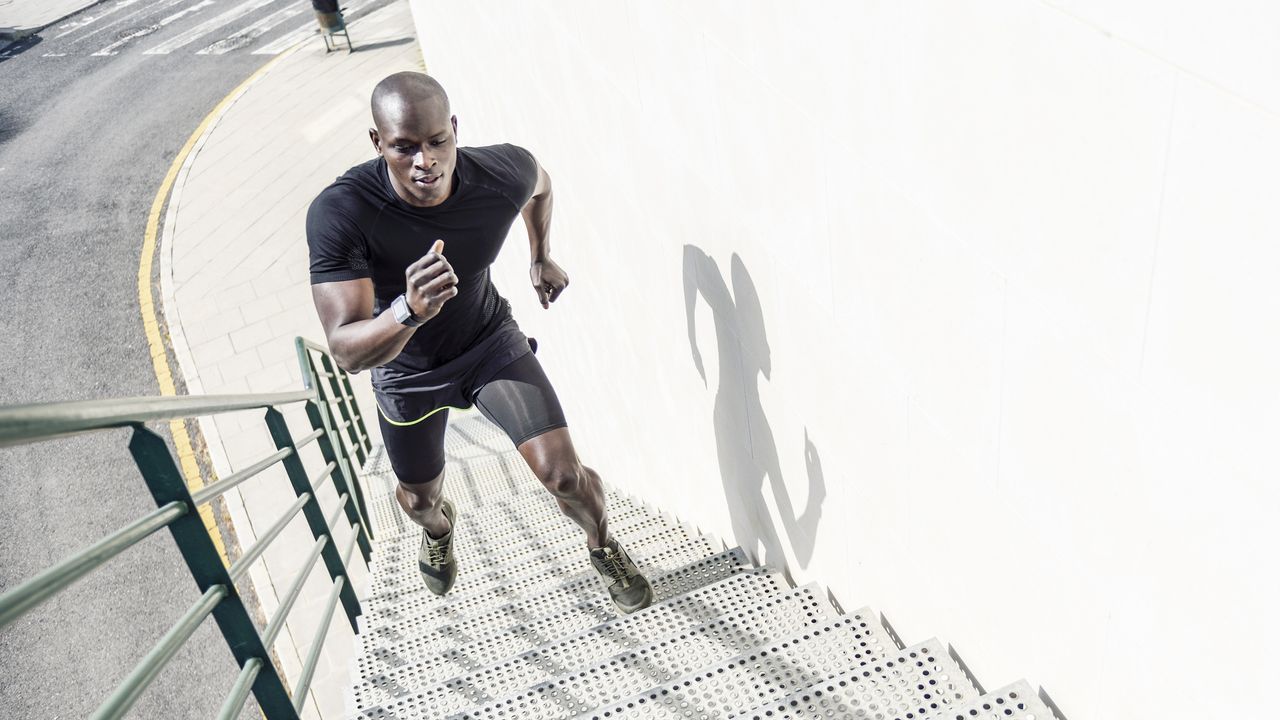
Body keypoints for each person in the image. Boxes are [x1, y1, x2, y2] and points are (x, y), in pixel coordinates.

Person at [304, 72, 652, 614]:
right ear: (378, 144)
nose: (426, 160)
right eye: (404, 147)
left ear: (455, 131)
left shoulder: (499, 173)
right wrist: (409, 309)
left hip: (487, 343)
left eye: (438, 141)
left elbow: (543, 185)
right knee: (419, 501)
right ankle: (439, 529)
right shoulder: (343, 212)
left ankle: (602, 544)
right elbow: (346, 350)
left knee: (564, 476)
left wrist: (539, 254)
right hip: (405, 372)